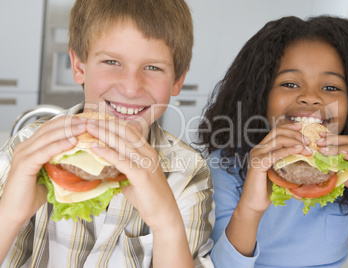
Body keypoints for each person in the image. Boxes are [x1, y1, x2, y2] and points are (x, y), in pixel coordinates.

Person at [0, 0, 214, 267]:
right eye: (112, 61)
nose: (131, 87)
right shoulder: (25, 150)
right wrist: (8, 216)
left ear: (178, 79)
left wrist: (166, 223)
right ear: (79, 67)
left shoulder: (189, 172)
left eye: (153, 67)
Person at [198, 15, 348, 267]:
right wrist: (250, 209)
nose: (310, 98)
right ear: (261, 94)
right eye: (290, 83)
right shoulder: (226, 165)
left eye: (330, 88)